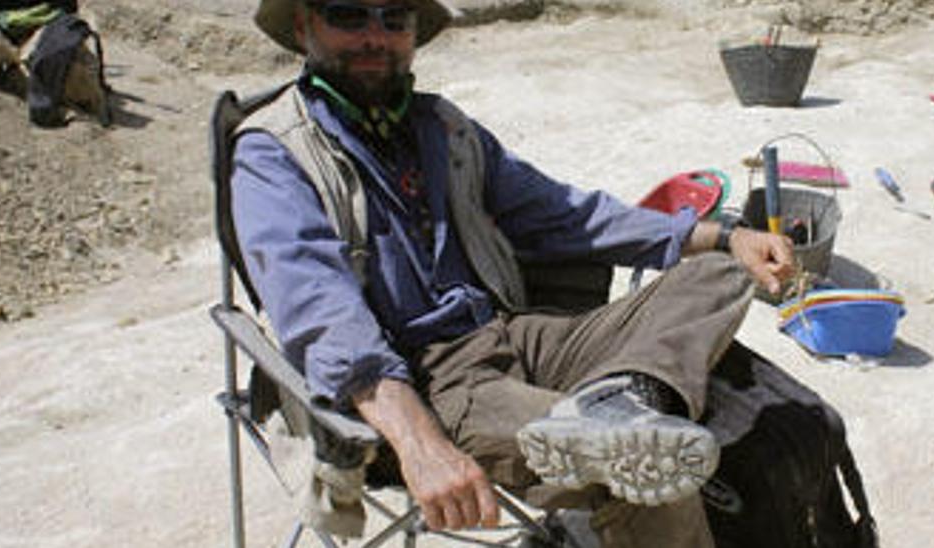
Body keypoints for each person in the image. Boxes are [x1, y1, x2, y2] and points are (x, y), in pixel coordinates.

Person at [231, 0, 796, 545]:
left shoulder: (441, 126)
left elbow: (564, 214)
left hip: (511, 332)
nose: (375, 36)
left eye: (394, 17)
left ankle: (630, 396)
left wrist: (726, 237)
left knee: (719, 275)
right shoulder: (272, 155)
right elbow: (323, 315)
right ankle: (619, 432)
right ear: (305, 27)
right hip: (427, 383)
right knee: (644, 471)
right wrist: (420, 443)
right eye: (348, 15)